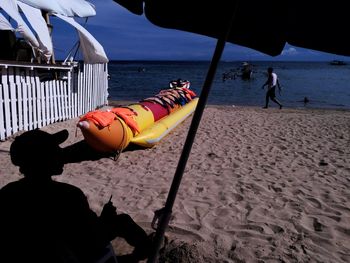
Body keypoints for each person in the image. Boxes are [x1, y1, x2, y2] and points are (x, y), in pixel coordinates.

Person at [0, 129, 151, 263]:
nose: (60, 152)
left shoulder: (7, 193)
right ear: (43, 158)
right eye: (54, 149)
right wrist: (106, 218)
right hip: (77, 250)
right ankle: (148, 250)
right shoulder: (68, 195)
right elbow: (91, 234)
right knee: (122, 221)